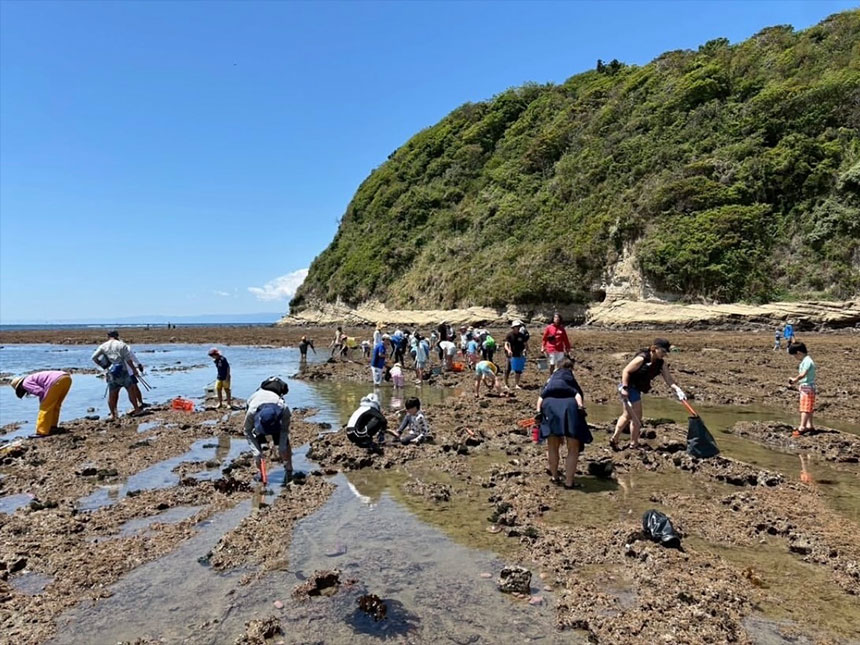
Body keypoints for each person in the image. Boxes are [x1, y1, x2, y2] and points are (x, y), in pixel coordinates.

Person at [609, 338, 686, 449]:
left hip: (636, 388)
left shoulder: (661, 363)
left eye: (666, 352)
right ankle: (633, 443)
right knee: (637, 417)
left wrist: (677, 389)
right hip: (629, 387)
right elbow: (626, 371)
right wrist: (624, 388)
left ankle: (615, 438)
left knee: (627, 415)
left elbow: (669, 379)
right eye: (663, 351)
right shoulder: (642, 358)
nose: (664, 354)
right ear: (654, 348)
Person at [535, 358, 591, 488]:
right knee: (573, 448)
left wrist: (538, 411)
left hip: (549, 407)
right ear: (571, 368)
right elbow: (578, 394)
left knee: (552, 445)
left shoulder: (551, 379)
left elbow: (541, 396)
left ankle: (554, 476)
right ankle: (569, 482)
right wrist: (581, 407)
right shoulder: (569, 377)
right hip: (570, 407)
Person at [244, 377, 292, 482]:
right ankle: (261, 473)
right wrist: (256, 452)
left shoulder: (283, 408)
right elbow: (247, 431)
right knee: (258, 443)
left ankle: (289, 470)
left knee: (282, 442)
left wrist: (282, 448)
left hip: (274, 410)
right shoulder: (252, 410)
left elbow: (284, 430)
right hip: (257, 405)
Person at [92, 330, 142, 421]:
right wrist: (134, 370)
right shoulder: (121, 345)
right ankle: (137, 409)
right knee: (130, 390)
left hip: (112, 371)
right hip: (123, 370)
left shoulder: (103, 346)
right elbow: (128, 360)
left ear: (108, 336)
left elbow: (94, 357)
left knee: (112, 393)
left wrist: (104, 366)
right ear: (117, 336)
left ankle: (113, 414)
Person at [9, 371, 73, 437]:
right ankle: (53, 427)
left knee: (45, 408)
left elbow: (40, 392)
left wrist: (43, 403)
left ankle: (41, 432)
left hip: (55, 381)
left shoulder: (25, 383)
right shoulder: (30, 378)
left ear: (20, 387)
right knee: (55, 405)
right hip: (66, 378)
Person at [788, 342, 816, 436]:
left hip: (807, 387)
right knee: (809, 408)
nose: (795, 358)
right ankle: (809, 425)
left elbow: (803, 374)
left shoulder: (807, 361)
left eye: (795, 356)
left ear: (798, 352)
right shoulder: (806, 360)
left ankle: (802, 427)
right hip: (808, 386)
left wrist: (795, 380)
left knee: (804, 408)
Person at [504, 320, 529, 389]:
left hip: (519, 354)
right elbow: (506, 344)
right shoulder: (509, 335)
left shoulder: (522, 335)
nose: (517, 328)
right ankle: (506, 384)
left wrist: (525, 350)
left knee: (518, 370)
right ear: (513, 327)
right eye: (516, 327)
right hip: (510, 355)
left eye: (518, 327)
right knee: (507, 369)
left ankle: (516, 384)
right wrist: (508, 350)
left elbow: (525, 345)